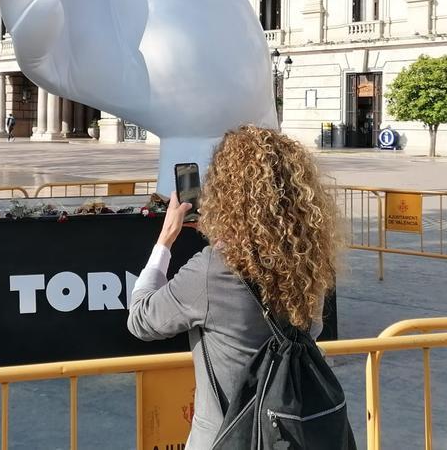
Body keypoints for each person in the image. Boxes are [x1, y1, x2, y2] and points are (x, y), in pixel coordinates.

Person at [127, 126, 345, 449]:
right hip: (291, 433)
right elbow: (311, 329)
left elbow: (141, 319)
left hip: (226, 436)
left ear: (224, 195)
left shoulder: (212, 269)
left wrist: (165, 240)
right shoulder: (308, 259)